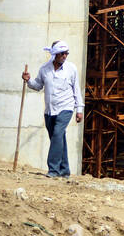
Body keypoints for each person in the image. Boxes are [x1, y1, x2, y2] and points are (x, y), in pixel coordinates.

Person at [21, 41, 84, 178]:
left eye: (66, 53)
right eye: (62, 53)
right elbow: (38, 85)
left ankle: (53, 170)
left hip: (66, 108)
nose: (65, 56)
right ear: (55, 54)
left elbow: (77, 89)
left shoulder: (71, 69)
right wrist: (28, 81)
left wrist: (79, 109)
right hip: (50, 110)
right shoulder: (44, 69)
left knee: (57, 134)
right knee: (58, 138)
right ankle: (65, 170)